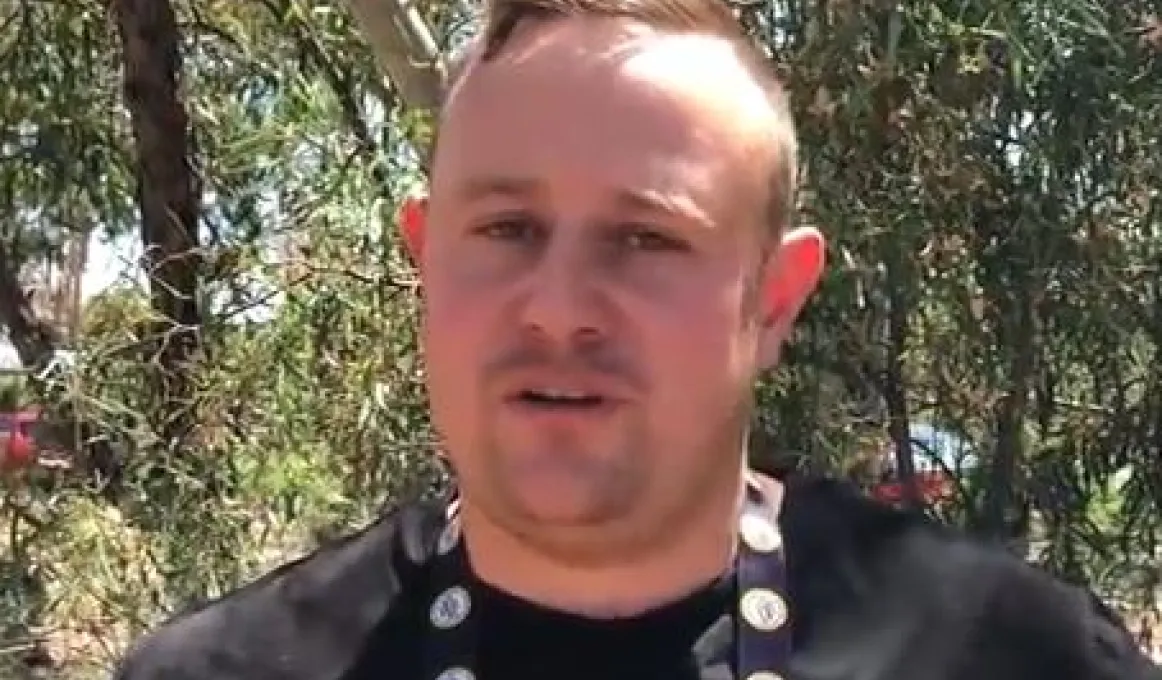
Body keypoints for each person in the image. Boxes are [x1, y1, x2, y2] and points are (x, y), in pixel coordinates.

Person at [112, 0, 1162, 678]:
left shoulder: (1011, 655)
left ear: (774, 302)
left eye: (645, 237)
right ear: (427, 261)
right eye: (507, 228)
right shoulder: (227, 670)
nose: (559, 304)